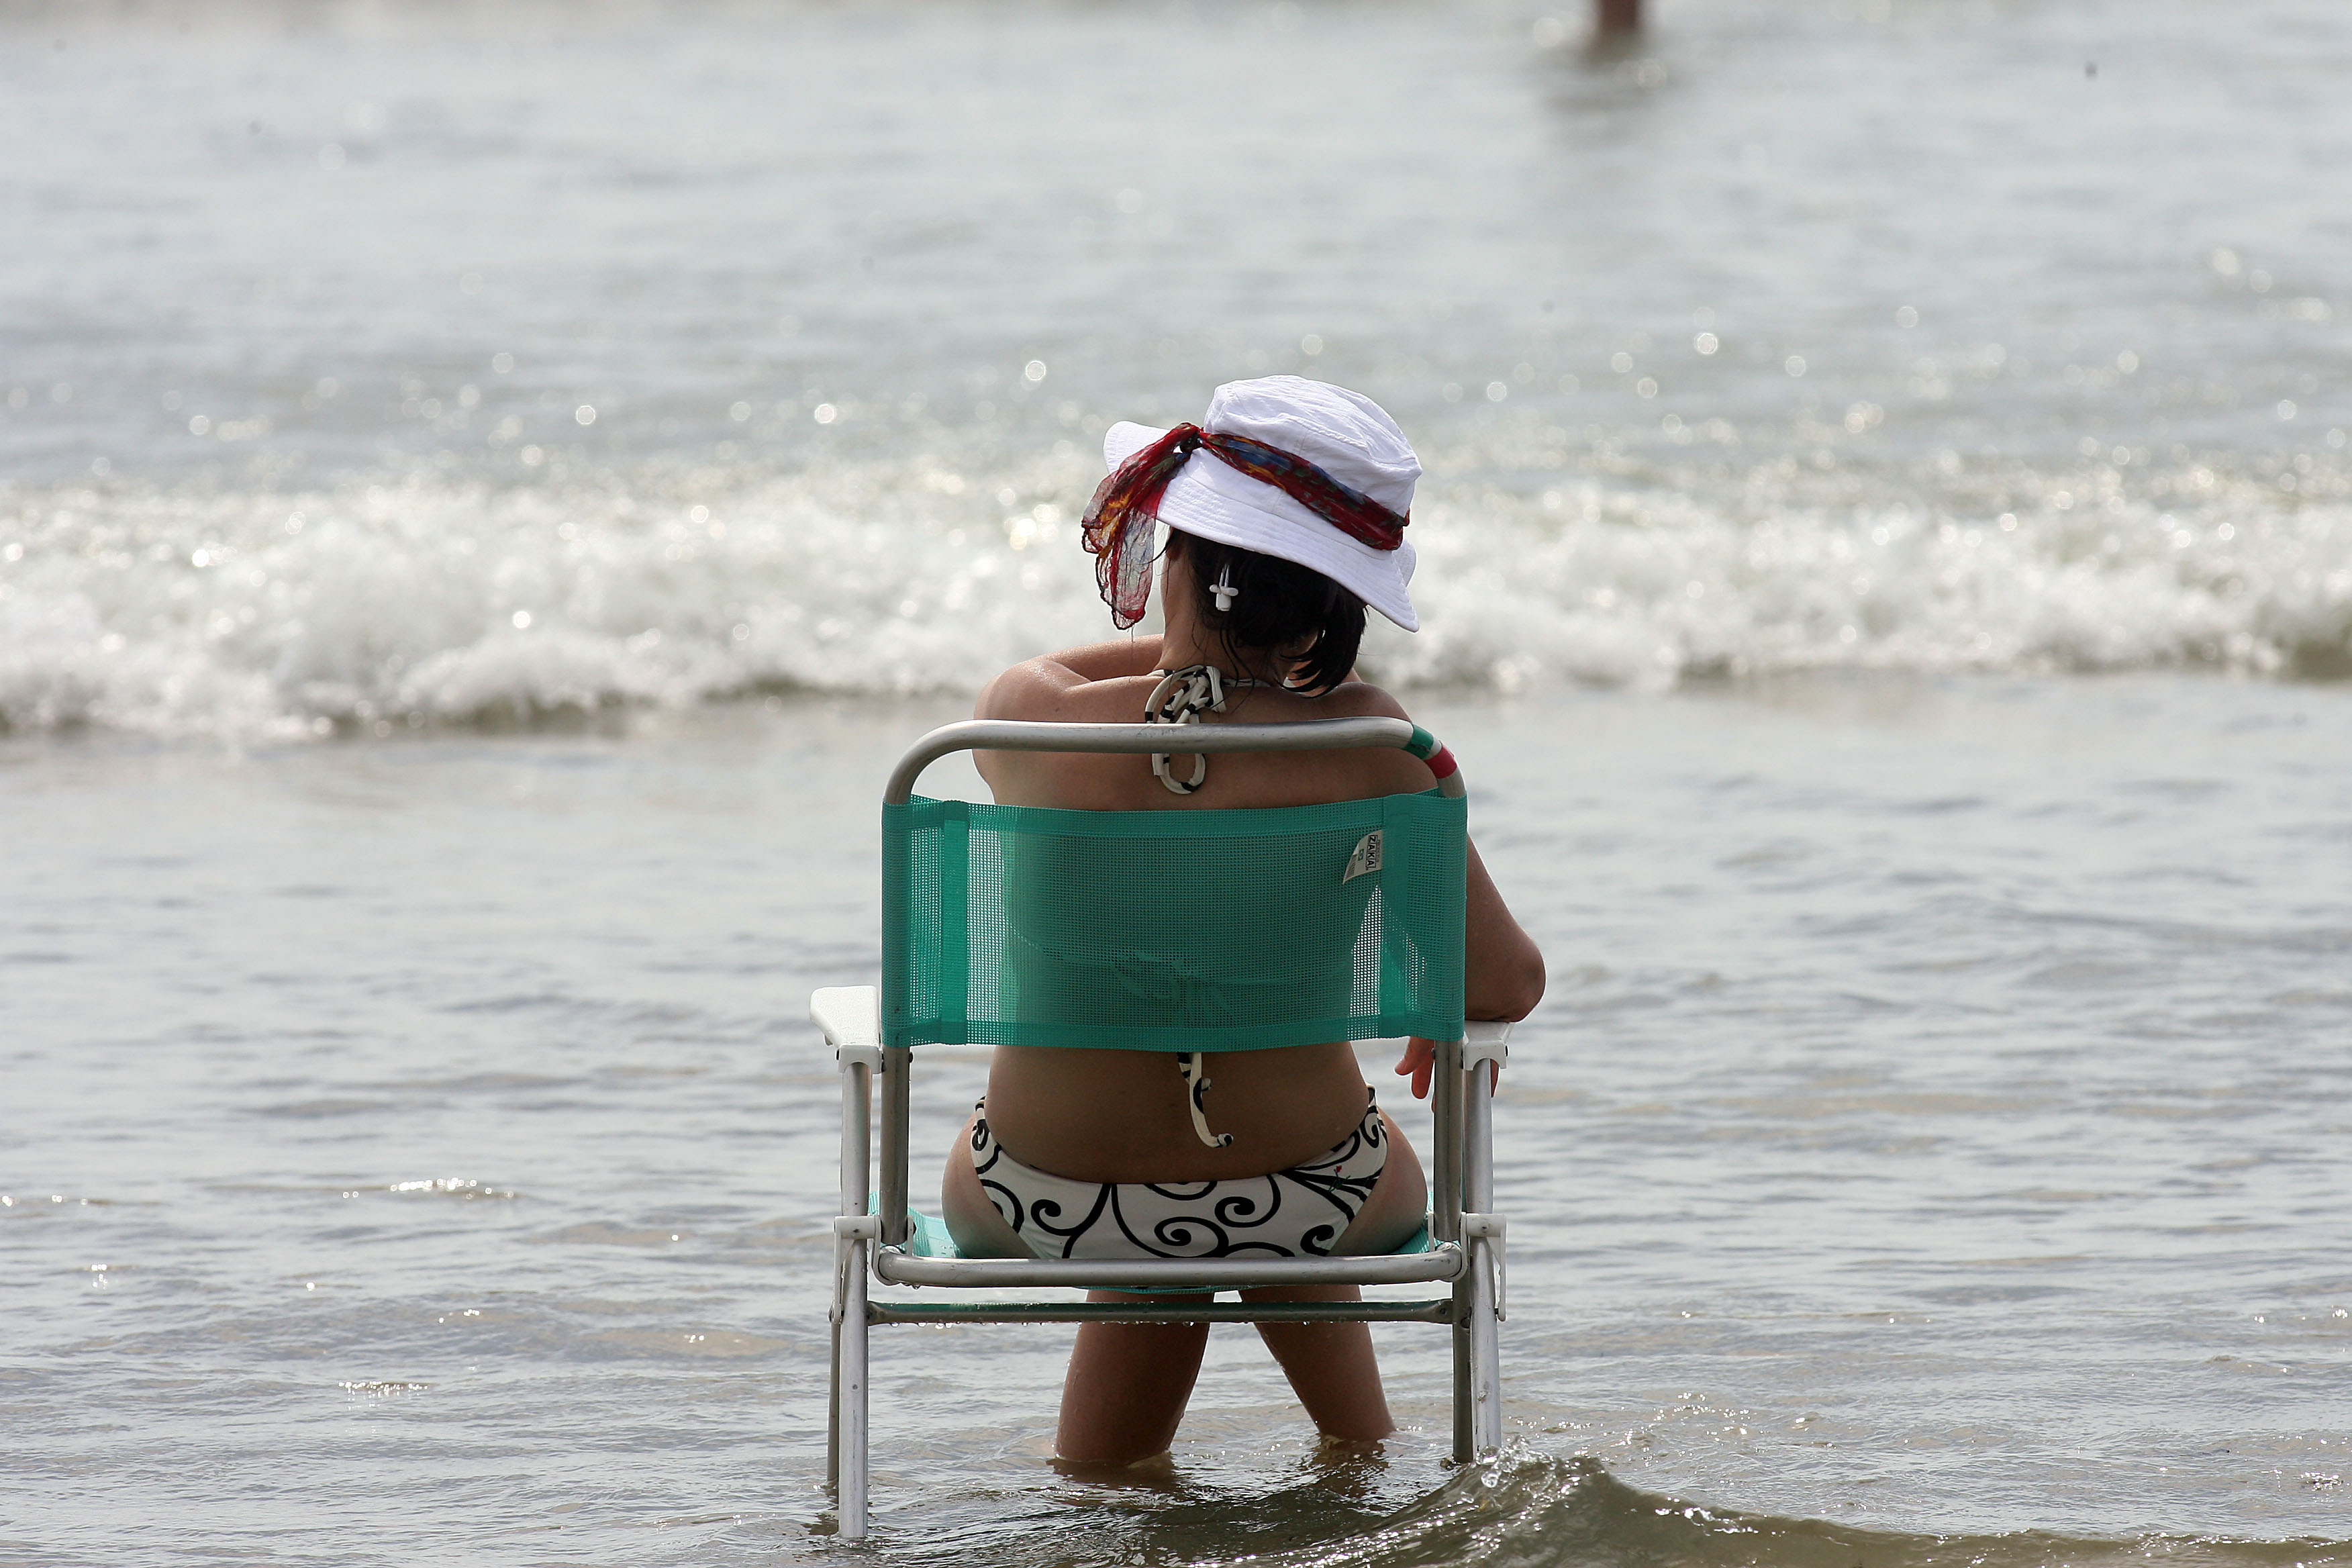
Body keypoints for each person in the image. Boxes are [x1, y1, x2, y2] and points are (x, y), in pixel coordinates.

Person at [937, 375, 1545, 1467]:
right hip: (1309, 1195)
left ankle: (1108, 1488)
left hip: (1041, 1189)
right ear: (1332, 604)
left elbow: (1073, 673)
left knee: (1163, 1223)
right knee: (1259, 1193)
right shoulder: (1376, 745)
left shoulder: (1033, 720)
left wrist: (1194, 666)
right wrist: (1436, 994)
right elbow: (1505, 984)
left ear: (1179, 558)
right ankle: (1362, 1458)